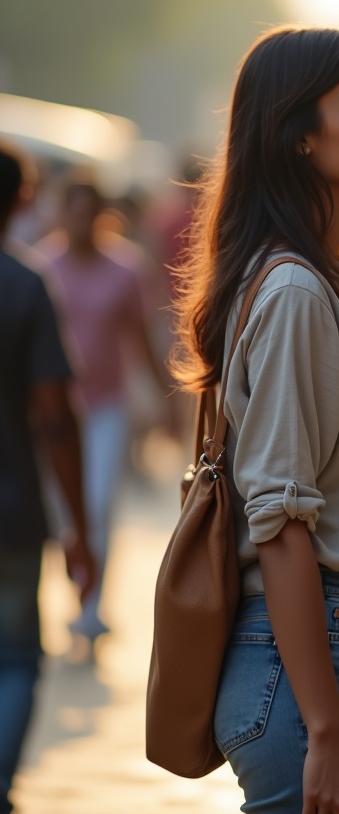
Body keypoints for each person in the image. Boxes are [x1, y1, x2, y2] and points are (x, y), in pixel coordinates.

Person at [171, 27, 339, 814]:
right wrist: (325, 728)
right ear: (299, 135)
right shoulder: (293, 293)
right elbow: (283, 525)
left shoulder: (319, 285)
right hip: (309, 672)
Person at [0, 143, 95, 814]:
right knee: (14, 659)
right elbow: (56, 418)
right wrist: (79, 530)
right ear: (24, 199)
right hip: (12, 507)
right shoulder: (26, 285)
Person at [39, 178, 170, 648]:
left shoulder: (125, 269)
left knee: (98, 505)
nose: (80, 222)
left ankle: (91, 606)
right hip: (53, 410)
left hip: (107, 408)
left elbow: (140, 338)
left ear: (101, 216)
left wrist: (165, 401)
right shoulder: (42, 266)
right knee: (60, 511)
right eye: (72, 212)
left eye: (88, 213)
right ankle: (74, 585)